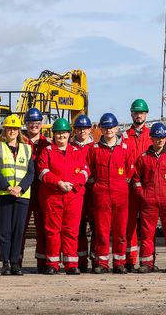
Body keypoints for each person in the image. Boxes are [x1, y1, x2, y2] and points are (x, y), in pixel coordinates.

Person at [37, 118, 89, 275]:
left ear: (69, 134)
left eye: (64, 133)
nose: (61, 136)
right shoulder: (47, 151)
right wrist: (58, 183)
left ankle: (71, 264)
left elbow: (85, 171)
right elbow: (42, 171)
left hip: (73, 196)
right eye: (58, 133)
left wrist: (72, 183)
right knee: (53, 230)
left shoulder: (76, 152)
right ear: (54, 135)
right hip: (53, 196)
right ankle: (52, 263)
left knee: (71, 231)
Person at [86, 112, 135, 274]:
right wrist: (97, 185)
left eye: (111, 127)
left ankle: (119, 262)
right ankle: (101, 262)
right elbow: (89, 170)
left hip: (121, 194)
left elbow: (130, 170)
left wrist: (122, 184)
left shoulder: (125, 149)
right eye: (105, 127)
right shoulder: (94, 149)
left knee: (120, 230)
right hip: (101, 195)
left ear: (116, 127)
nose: (109, 130)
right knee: (102, 230)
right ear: (100, 128)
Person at [133, 121, 166, 273]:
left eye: (162, 138)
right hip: (149, 201)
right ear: (151, 138)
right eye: (157, 137)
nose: (160, 140)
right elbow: (136, 179)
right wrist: (143, 195)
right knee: (147, 233)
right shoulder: (143, 158)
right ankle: (146, 263)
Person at [0, 114, 34, 276]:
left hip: (22, 196)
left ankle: (16, 262)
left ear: (19, 131)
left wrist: (20, 188)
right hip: (3, 194)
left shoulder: (27, 149)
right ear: (5, 130)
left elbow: (30, 172)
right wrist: (9, 187)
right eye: (10, 128)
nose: (12, 131)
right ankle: (5, 263)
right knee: (5, 231)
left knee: (18, 231)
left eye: (15, 129)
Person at [20, 106, 50, 269]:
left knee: (43, 227)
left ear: (42, 123)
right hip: (24, 189)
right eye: (31, 122)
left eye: (37, 122)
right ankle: (16, 261)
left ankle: (42, 261)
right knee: (20, 228)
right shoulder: (19, 142)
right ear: (25, 124)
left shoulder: (47, 143)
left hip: (42, 190)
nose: (34, 126)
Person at [123, 98, 151, 270]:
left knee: (148, 225)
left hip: (148, 186)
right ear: (131, 114)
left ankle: (148, 261)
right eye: (136, 112)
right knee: (129, 224)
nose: (138, 115)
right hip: (130, 187)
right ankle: (129, 260)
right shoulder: (124, 137)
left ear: (146, 114)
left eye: (141, 112)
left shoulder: (153, 135)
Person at [70, 114, 94, 271]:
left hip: (93, 192)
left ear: (90, 129)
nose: (82, 131)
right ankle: (80, 260)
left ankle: (98, 260)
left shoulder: (96, 147)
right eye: (79, 128)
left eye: (85, 128)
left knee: (96, 227)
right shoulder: (70, 146)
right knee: (77, 227)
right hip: (75, 192)